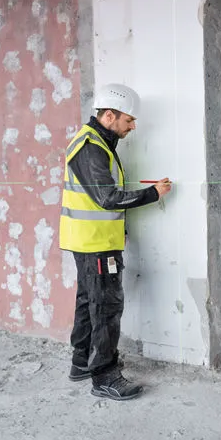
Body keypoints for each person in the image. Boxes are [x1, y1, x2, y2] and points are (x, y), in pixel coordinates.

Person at [58, 83, 172, 401]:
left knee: (89, 302)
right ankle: (105, 376)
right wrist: (153, 194)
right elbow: (107, 198)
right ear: (109, 115)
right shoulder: (91, 147)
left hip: (91, 240)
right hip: (95, 244)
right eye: (128, 120)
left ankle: (82, 363)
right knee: (106, 307)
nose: (132, 127)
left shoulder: (98, 143)